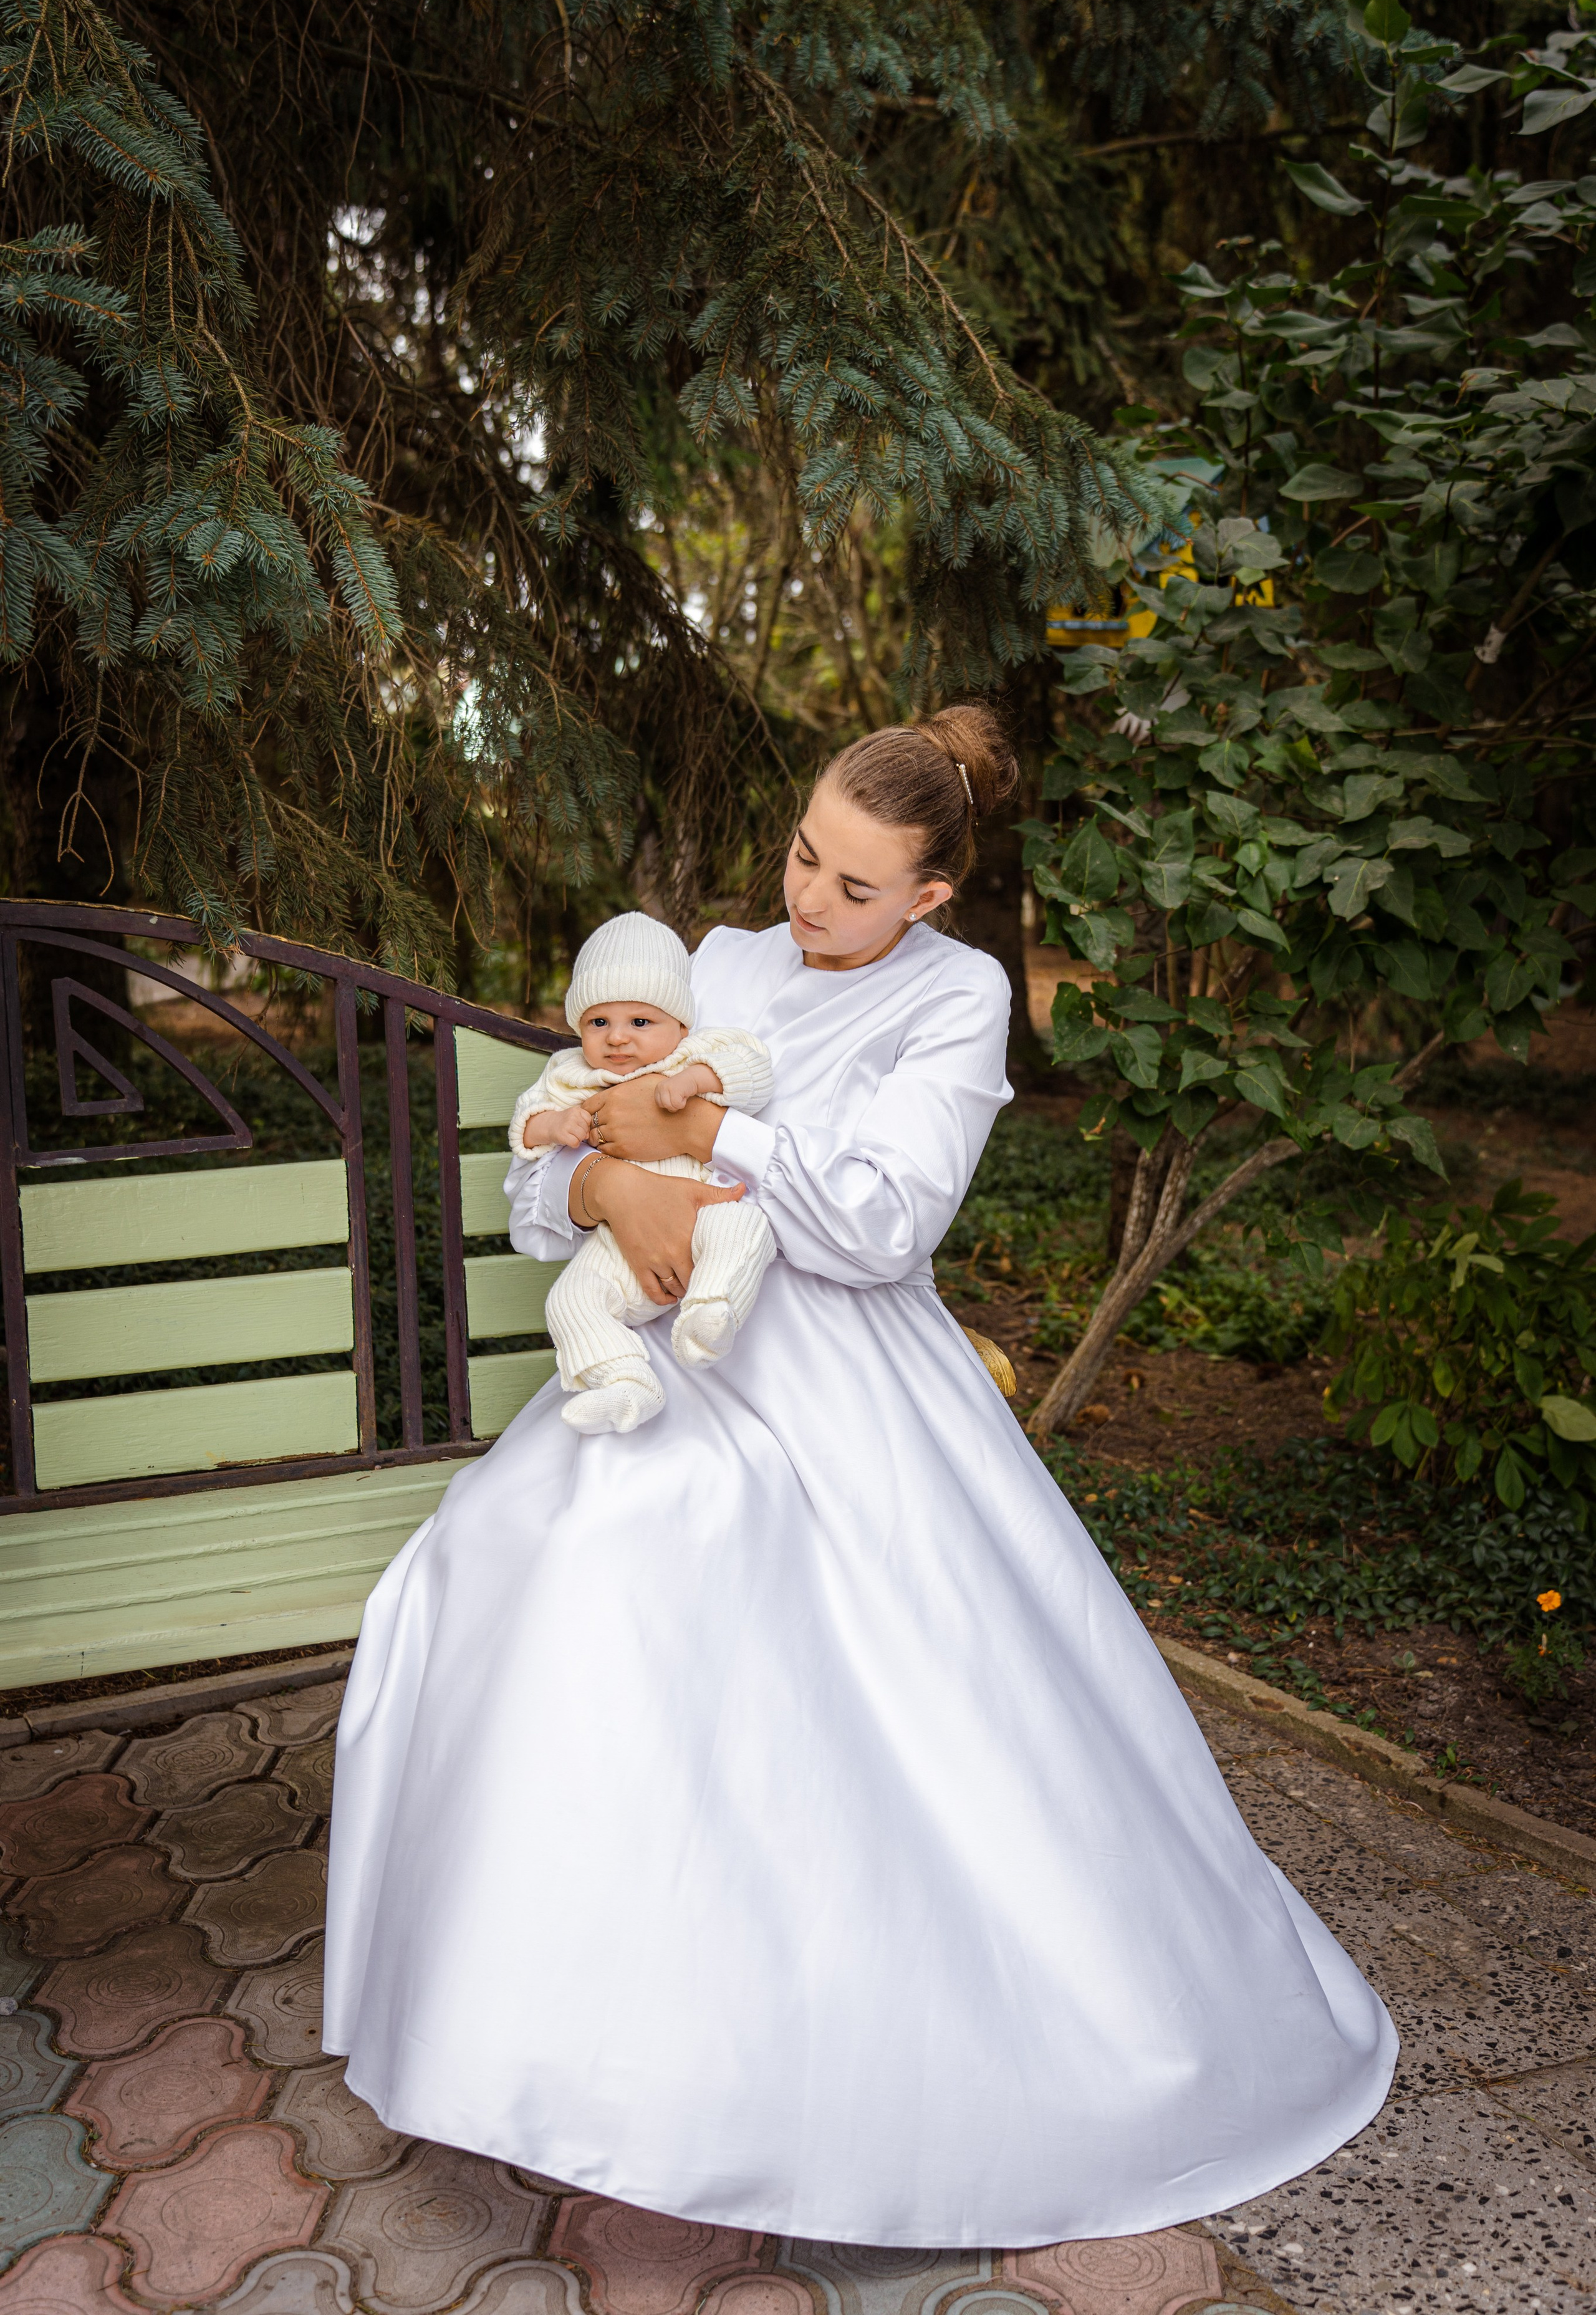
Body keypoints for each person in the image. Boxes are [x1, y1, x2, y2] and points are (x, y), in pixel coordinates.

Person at [323, 703, 1396, 2250]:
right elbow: (549, 1167)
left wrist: (713, 1118)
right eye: (800, 857)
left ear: (930, 898)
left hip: (844, 1384)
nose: (808, 901)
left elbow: (884, 1224)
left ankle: (824, 2068)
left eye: (852, 885)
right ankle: (565, 2036)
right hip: (665, 1362)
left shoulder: (957, 1000)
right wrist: (607, 1170)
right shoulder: (723, 958)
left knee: (804, 1639)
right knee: (506, 1567)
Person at [507, 910, 776, 1433]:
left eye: (640, 1022)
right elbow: (527, 1119)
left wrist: (699, 1080)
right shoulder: (571, 1074)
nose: (618, 1039)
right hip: (619, 1247)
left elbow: (755, 1070)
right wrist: (555, 1124)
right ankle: (625, 1380)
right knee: (570, 1299)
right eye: (599, 1022)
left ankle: (712, 1309)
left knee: (745, 1225)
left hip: (705, 1208)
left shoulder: (694, 1054)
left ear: (681, 1025)